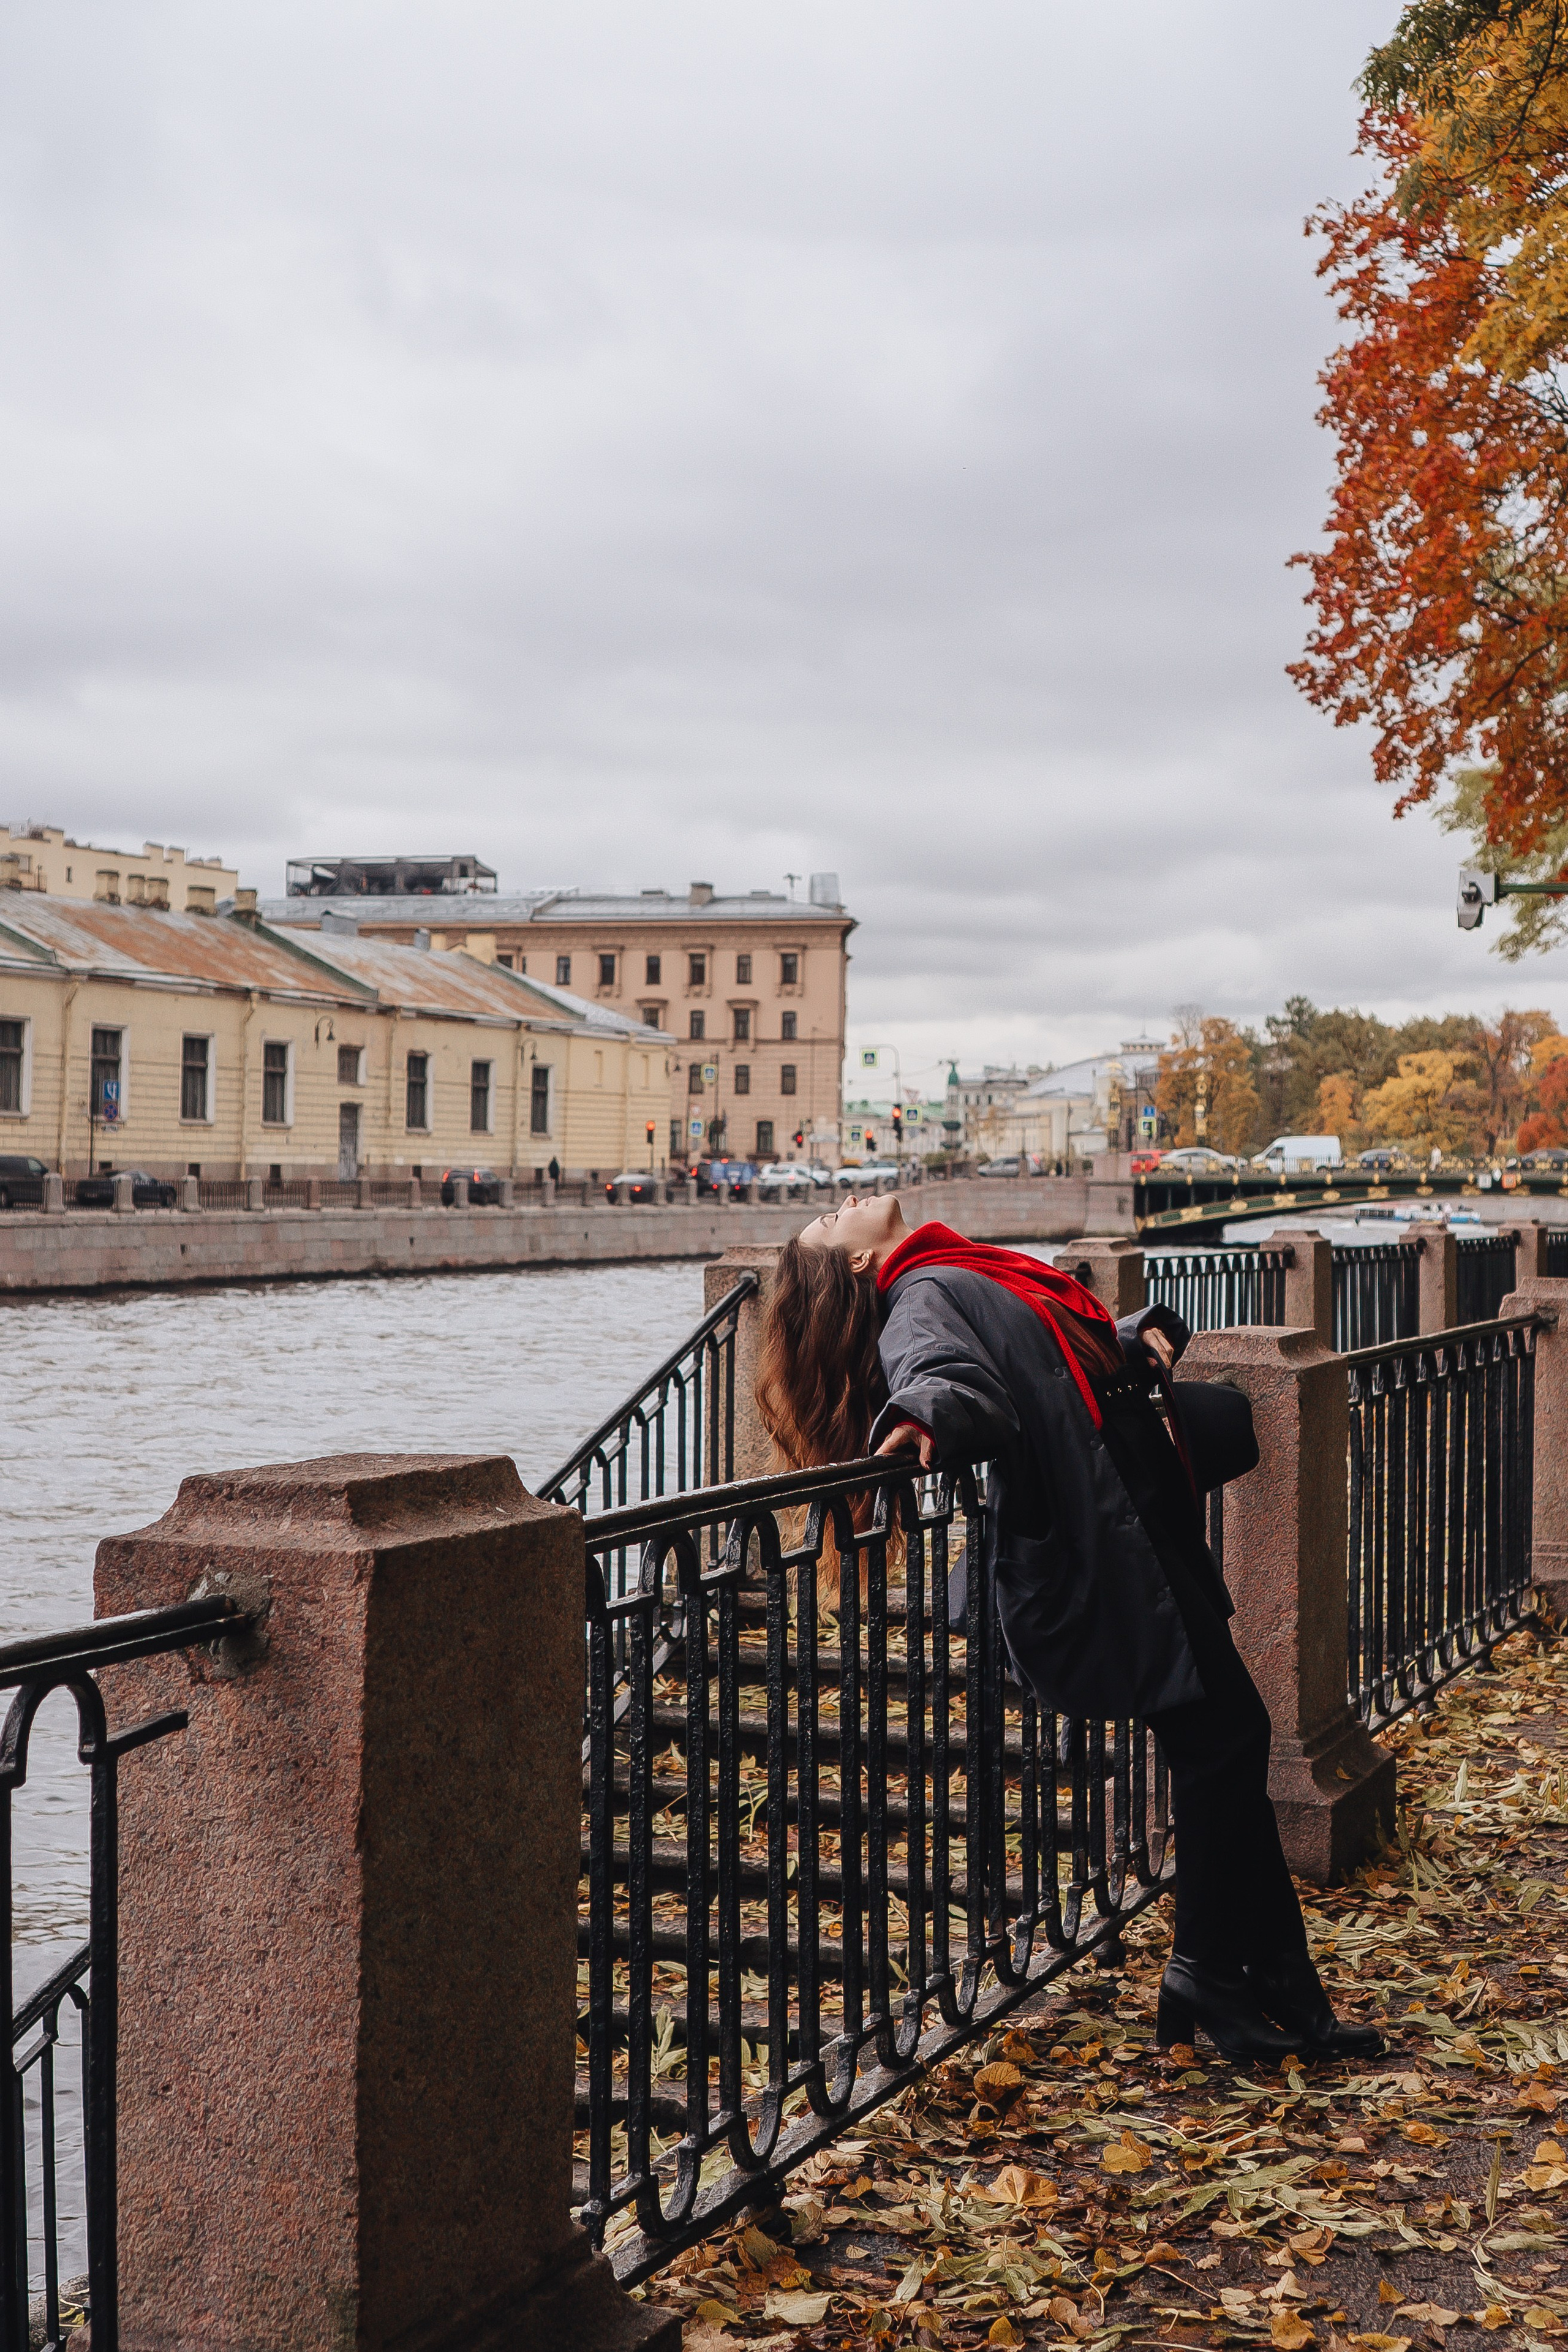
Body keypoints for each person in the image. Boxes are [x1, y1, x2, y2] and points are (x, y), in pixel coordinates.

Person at [754, 1192, 1380, 2065]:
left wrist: (1132, 1337)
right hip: (1108, 1541)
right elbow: (947, 1374)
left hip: (1136, 1518)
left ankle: (1273, 1986)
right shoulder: (925, 1292)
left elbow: (1039, 1360)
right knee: (1227, 1741)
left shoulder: (961, 1268)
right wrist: (921, 1413)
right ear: (859, 1264)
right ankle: (1216, 1976)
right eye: (825, 1220)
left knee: (1228, 1743)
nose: (841, 1204)